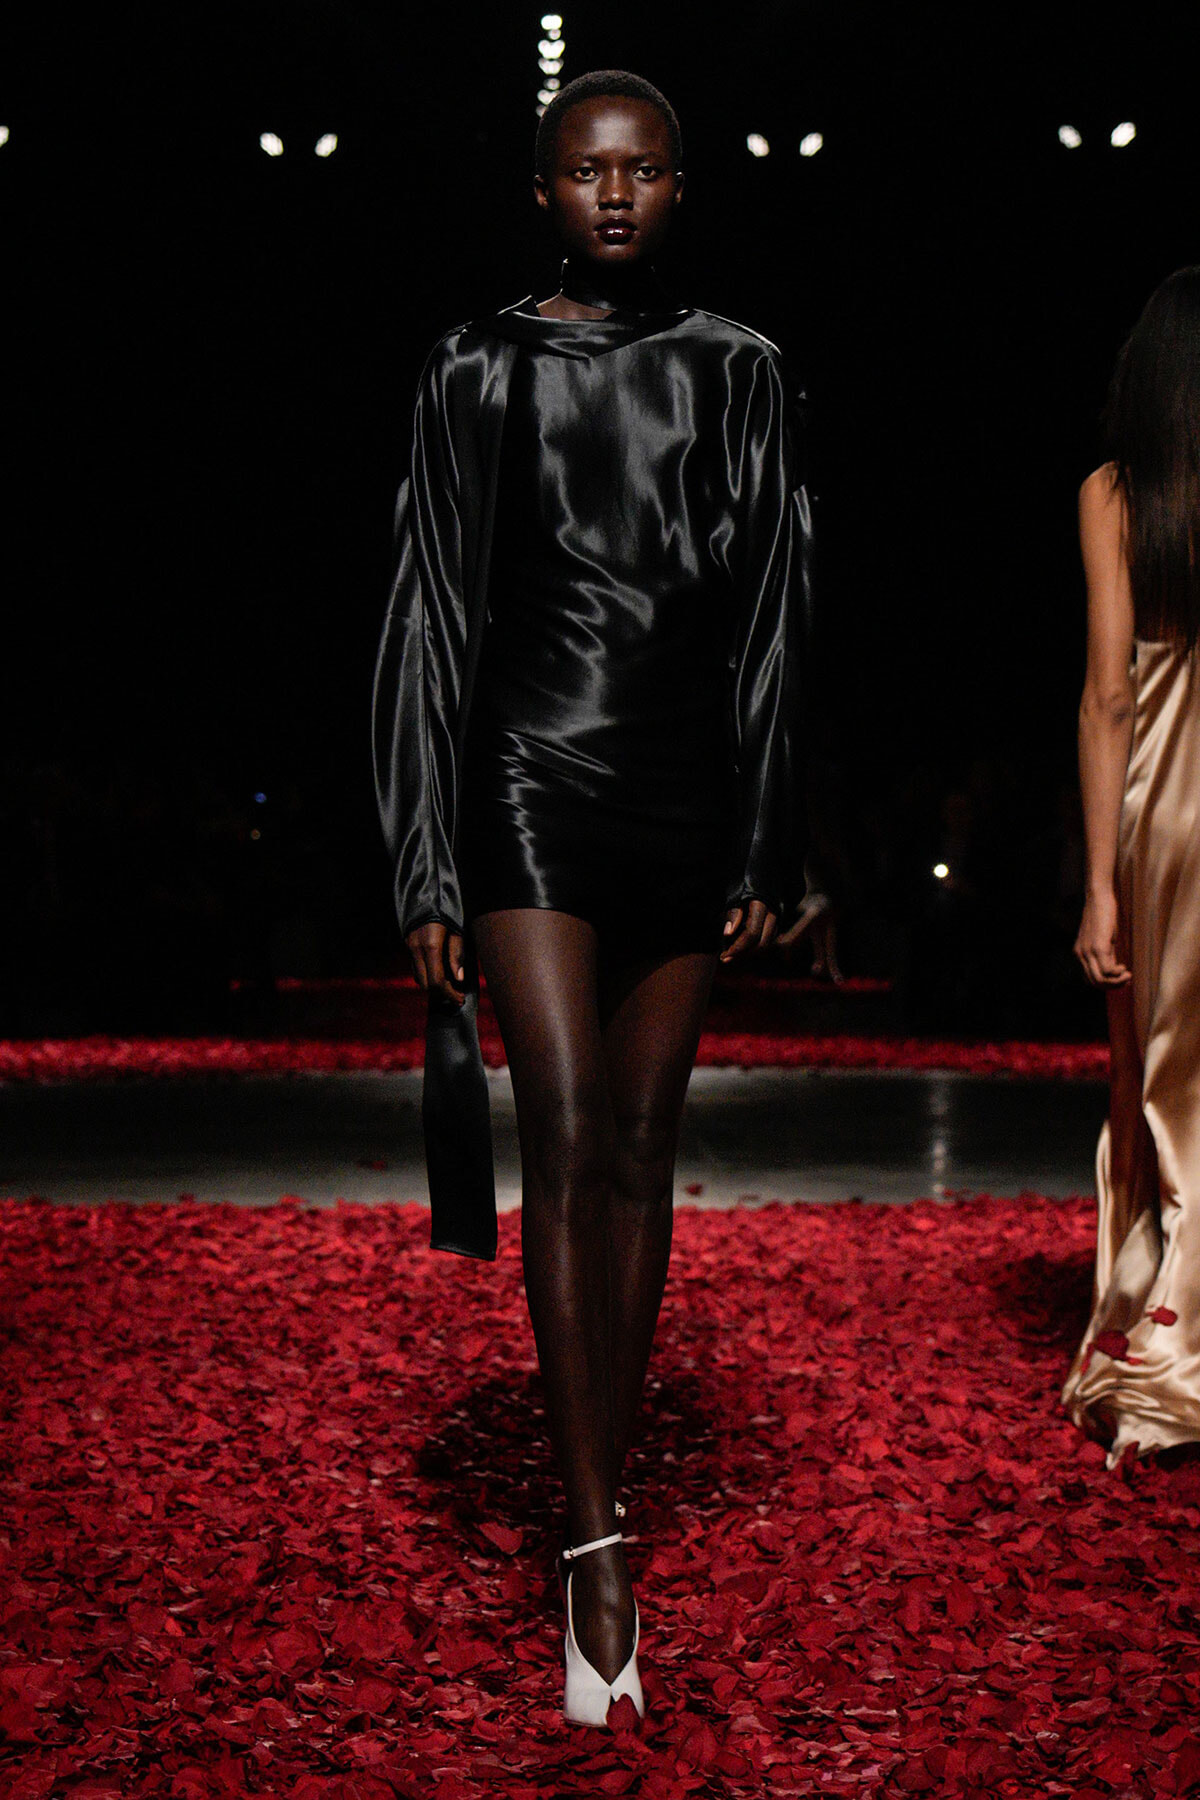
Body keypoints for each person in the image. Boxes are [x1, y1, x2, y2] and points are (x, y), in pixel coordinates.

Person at [373, 69, 810, 1725]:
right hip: (525, 776)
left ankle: (598, 1483)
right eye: (584, 170)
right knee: (559, 1132)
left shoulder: (740, 368)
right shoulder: (475, 364)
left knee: (637, 1147)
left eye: (640, 171)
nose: (613, 194)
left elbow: (775, 611)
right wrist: (425, 847)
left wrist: (767, 833)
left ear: (680, 187)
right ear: (544, 187)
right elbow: (429, 607)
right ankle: (595, 1540)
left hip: (684, 786)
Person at [1063, 266, 1200, 1467]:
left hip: (1163, 801)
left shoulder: (1115, 493)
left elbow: (1109, 694)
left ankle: (1144, 1332)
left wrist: (1100, 882)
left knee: (1145, 1073)